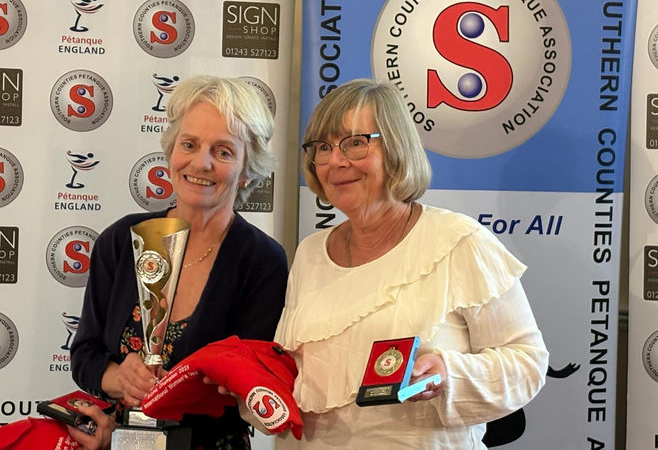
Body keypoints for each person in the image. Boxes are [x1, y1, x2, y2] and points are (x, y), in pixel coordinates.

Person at [274, 78, 549, 449]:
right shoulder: (310, 253)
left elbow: (527, 365)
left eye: (355, 142)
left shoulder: (459, 241)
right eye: (323, 147)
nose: (336, 160)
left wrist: (449, 373)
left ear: (396, 147)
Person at [69, 75, 289, 450]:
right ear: (172, 152)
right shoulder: (120, 241)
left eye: (223, 151)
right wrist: (120, 378)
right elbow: (84, 356)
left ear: (246, 170)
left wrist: (173, 387)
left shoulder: (262, 261)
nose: (201, 162)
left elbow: (250, 386)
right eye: (189, 144)